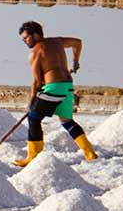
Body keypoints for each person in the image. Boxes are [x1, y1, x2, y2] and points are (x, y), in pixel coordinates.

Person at [14, 20, 97, 168]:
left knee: (33, 118)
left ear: (36, 35)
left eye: (26, 38)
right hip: (67, 86)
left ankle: (33, 157)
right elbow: (77, 42)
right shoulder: (58, 42)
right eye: (23, 39)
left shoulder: (35, 53)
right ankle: (89, 152)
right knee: (67, 122)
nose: (24, 41)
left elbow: (37, 81)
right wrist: (75, 61)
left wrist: (32, 101)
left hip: (54, 88)